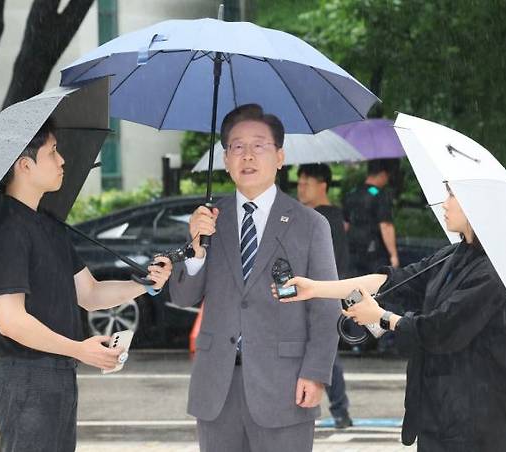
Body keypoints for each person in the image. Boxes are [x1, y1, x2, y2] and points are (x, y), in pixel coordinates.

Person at [277, 183, 506, 451]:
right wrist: (315, 288)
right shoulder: (453, 255)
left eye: (452, 195)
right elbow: (392, 281)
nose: (445, 203)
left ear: (475, 205)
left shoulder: (493, 271)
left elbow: (440, 329)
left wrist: (383, 318)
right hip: (439, 411)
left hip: (478, 418)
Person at [0, 118, 173, 452]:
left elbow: (90, 294)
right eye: (52, 152)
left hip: (59, 373)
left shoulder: (51, 226)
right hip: (24, 377)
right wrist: (79, 349)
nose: (62, 160)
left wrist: (145, 284)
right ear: (25, 165)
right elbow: (10, 320)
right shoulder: (6, 229)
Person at [169, 104, 341, 452]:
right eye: (237, 147)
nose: (247, 155)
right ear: (226, 159)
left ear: (279, 157)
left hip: (286, 385)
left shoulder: (309, 225)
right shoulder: (208, 219)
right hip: (217, 386)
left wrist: (316, 372)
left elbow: (326, 307)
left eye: (259, 145)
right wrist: (196, 251)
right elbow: (184, 297)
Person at [296, 163, 353, 429]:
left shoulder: (323, 219)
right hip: (318, 291)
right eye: (299, 183)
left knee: (326, 352)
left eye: (306, 183)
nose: (301, 188)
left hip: (322, 293)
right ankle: (339, 410)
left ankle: (340, 410)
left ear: (323, 186)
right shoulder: (331, 216)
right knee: (324, 351)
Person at [343, 159, 399, 275]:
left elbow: (345, 224)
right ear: (383, 174)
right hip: (373, 253)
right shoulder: (380, 195)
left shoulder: (353, 193)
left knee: (354, 287)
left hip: (352, 249)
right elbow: (386, 226)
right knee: (375, 287)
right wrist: (393, 255)